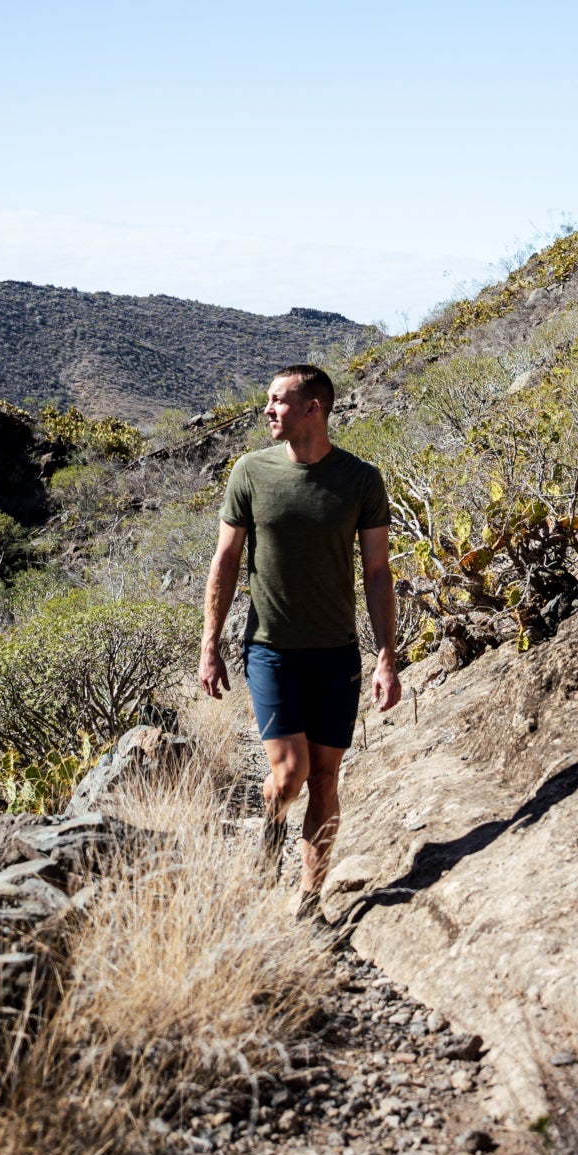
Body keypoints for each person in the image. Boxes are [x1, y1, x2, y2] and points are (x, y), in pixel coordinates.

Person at [198, 364, 401, 918]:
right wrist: (209, 645)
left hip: (337, 654)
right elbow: (226, 560)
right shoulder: (250, 472)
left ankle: (309, 899)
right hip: (270, 648)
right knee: (290, 775)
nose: (267, 410)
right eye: (269, 400)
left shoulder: (360, 479)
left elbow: (378, 572)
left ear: (314, 408)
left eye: (278, 401)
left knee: (327, 776)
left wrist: (386, 657)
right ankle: (271, 820)